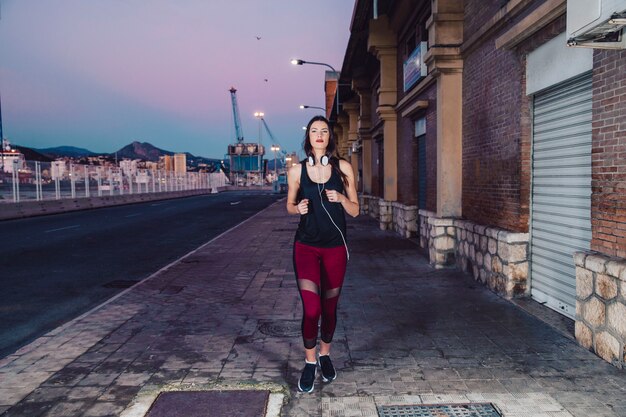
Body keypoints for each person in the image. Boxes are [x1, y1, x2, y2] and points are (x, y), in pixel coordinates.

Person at [286, 115, 359, 393]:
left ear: (330, 137)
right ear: (309, 137)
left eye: (324, 131)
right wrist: (298, 209)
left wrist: (340, 198)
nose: (319, 135)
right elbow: (289, 205)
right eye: (314, 131)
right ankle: (309, 362)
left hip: (335, 248)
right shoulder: (296, 171)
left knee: (329, 308)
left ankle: (325, 354)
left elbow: (355, 210)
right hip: (305, 246)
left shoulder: (343, 169)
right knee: (312, 308)